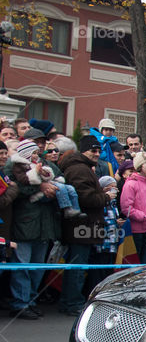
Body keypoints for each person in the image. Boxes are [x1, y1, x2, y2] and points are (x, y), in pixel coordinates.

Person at [4, 140, 60, 319]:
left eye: (38, 151)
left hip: (44, 226)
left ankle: (30, 300)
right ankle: (20, 303)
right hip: (24, 224)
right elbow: (16, 189)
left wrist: (53, 189)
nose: (38, 154)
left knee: (38, 268)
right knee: (23, 266)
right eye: (34, 151)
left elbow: (59, 179)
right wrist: (39, 186)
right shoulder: (13, 167)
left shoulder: (44, 166)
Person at [56, 136, 112, 315]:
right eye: (92, 150)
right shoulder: (80, 169)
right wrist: (106, 197)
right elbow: (84, 197)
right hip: (82, 226)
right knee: (77, 267)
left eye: (98, 150)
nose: (96, 154)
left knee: (77, 266)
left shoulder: (82, 167)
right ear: (83, 151)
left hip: (83, 225)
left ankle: (69, 301)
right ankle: (72, 302)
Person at [119, 151, 146, 263]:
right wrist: (144, 217)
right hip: (136, 229)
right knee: (135, 261)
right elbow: (126, 208)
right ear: (140, 166)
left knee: (144, 260)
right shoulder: (131, 184)